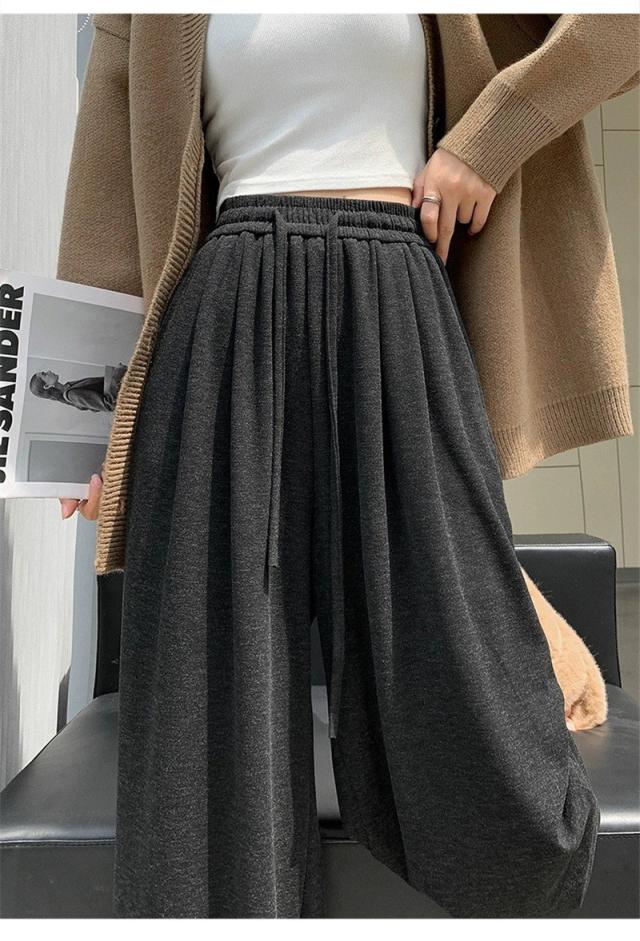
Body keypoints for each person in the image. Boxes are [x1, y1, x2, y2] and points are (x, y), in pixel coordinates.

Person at [54, 12, 638, 919]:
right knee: (209, 728)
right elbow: (104, 201)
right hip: (225, 313)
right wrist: (80, 427)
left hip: (400, 297)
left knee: (473, 686)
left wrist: (485, 144)